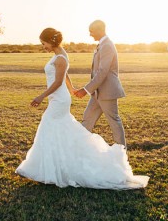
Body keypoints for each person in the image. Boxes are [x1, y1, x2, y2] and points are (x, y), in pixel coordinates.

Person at [15, 27, 148, 189]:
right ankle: (65, 159)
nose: (44, 46)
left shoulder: (63, 57)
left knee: (52, 124)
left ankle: (47, 166)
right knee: (68, 126)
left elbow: (61, 81)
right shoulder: (60, 55)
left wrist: (41, 96)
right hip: (61, 97)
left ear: (51, 41)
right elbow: (65, 76)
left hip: (68, 98)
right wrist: (72, 89)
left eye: (44, 43)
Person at [74, 20, 127, 148]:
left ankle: (121, 151)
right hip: (97, 92)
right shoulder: (101, 45)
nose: (90, 34)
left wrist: (85, 90)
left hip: (107, 92)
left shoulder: (107, 45)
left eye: (91, 31)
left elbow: (103, 72)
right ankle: (79, 148)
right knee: (88, 117)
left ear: (99, 30)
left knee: (114, 121)